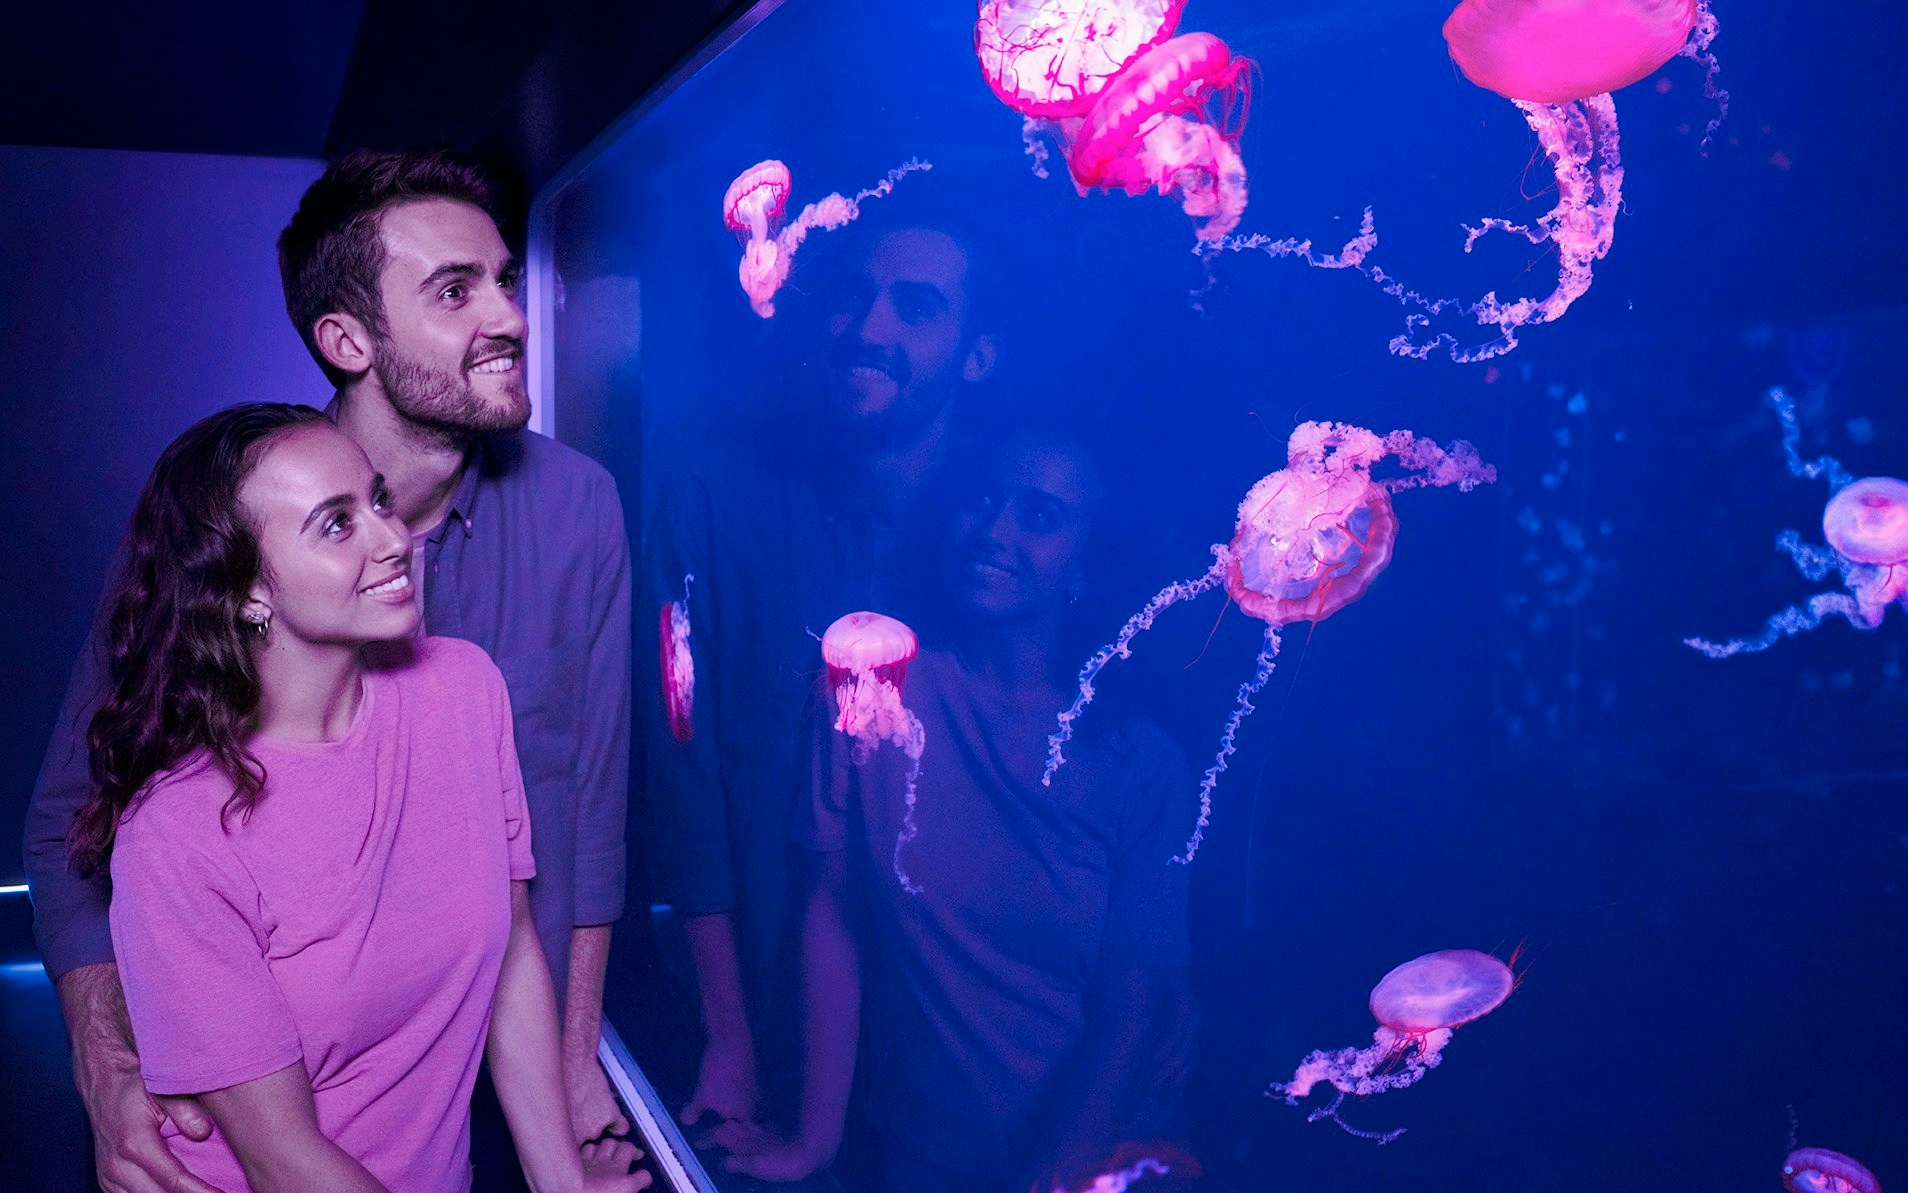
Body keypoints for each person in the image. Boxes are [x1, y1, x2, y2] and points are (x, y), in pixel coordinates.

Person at [23, 151, 635, 1192]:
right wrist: (106, 1062)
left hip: (466, 1087)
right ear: (346, 339)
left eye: (501, 278)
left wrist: (576, 1076)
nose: (511, 316)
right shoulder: (215, 529)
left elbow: (588, 810)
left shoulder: (565, 523)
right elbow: (78, 821)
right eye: (455, 290)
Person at [73, 403, 642, 1191]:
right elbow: (285, 1162)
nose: (391, 537)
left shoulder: (465, 690)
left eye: (377, 500)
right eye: (335, 525)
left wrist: (564, 1185)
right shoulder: (174, 835)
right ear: (246, 592)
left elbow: (510, 951)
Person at [729, 427, 1198, 1191]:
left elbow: (1134, 1006)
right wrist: (816, 1137)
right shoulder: (868, 688)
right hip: (916, 1149)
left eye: (1039, 516)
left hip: (1105, 1159)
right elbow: (835, 910)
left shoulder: (1138, 761)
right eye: (983, 498)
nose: (995, 530)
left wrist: (1048, 1180)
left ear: (1086, 564)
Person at [641, 212, 1004, 1141]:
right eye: (853, 298)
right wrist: (727, 1032)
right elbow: (681, 769)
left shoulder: (998, 535)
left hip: (962, 1026)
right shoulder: (709, 497)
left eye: (915, 307)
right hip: (759, 984)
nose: (869, 329)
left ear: (976, 356)